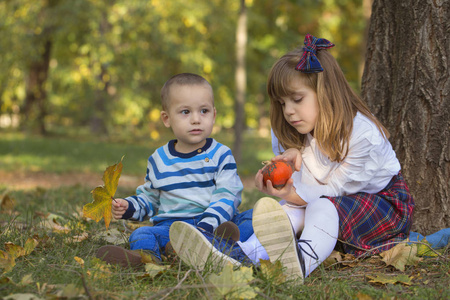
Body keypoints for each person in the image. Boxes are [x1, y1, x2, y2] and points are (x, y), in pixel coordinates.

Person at [169, 34, 415, 282]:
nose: (288, 111)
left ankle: (300, 262)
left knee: (318, 205)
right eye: (281, 102)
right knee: (285, 213)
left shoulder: (363, 135)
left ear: (326, 93)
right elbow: (302, 194)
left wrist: (288, 193)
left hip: (382, 208)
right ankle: (242, 257)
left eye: (297, 99)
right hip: (324, 210)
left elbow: (332, 192)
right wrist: (285, 177)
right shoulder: (293, 130)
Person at [96, 73, 252, 268]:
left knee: (252, 217)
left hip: (214, 224)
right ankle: (147, 258)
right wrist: (129, 207)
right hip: (172, 228)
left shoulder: (221, 154)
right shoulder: (159, 159)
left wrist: (205, 226)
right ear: (167, 118)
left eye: (204, 111)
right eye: (185, 112)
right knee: (141, 233)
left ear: (214, 115)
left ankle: (207, 245)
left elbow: (228, 195)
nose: (196, 119)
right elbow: (150, 199)